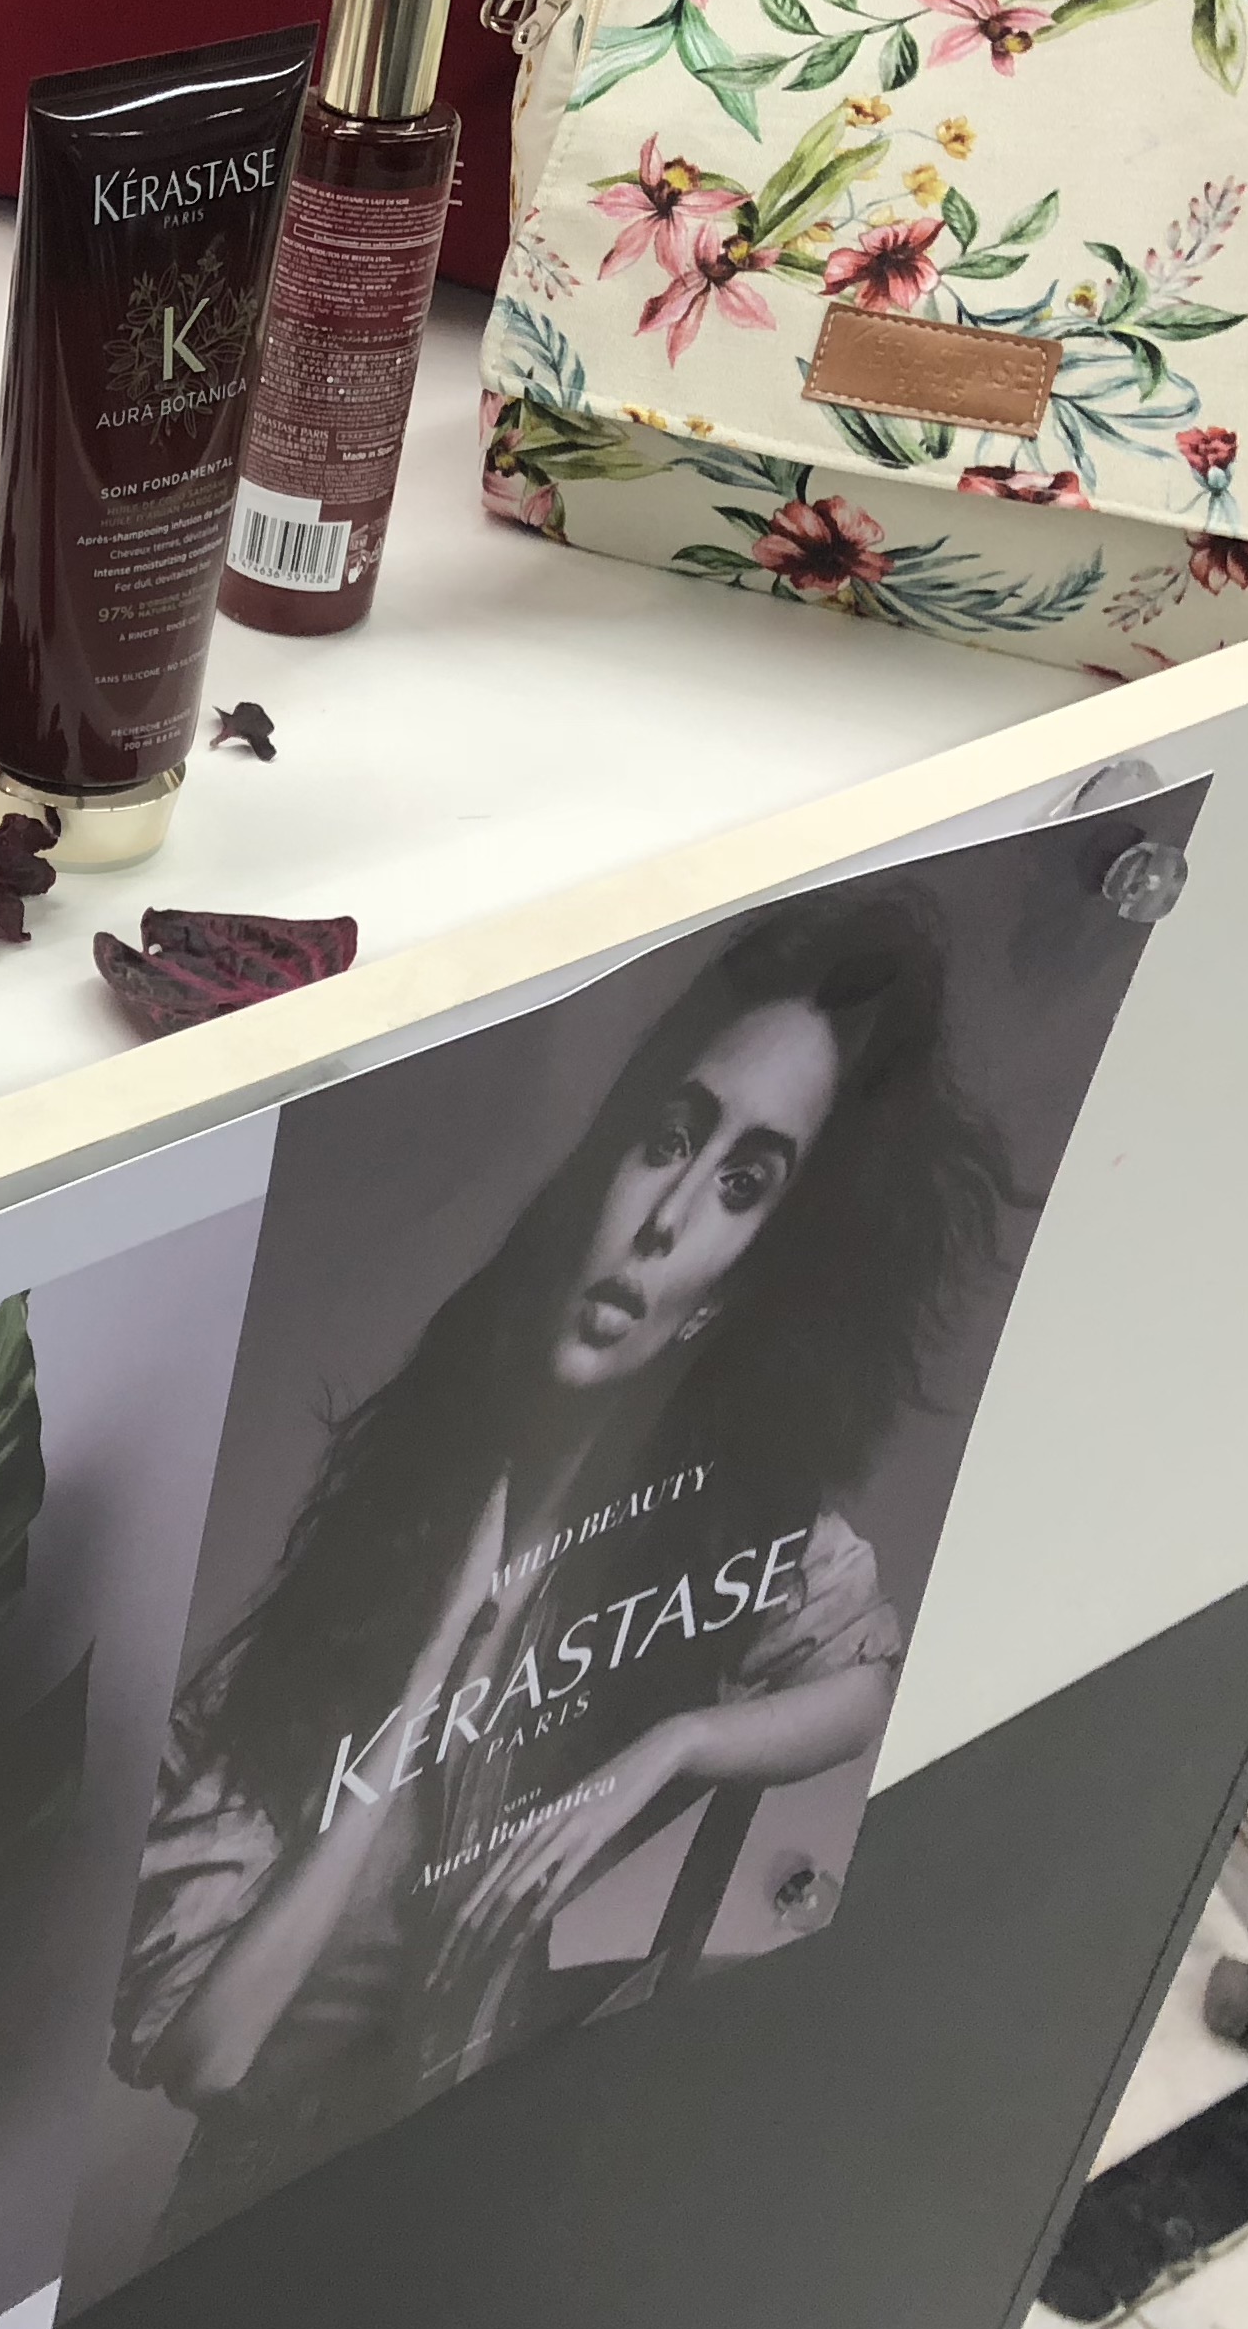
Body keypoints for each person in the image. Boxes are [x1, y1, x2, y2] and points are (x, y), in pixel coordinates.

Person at [112, 893, 1015, 2248]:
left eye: (745, 1185)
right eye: (668, 1139)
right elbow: (204, 2054)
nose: (665, 1220)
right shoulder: (359, 1586)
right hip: (249, 2245)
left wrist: (673, 1750)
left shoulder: (704, 1533)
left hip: (490, 2195)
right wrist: (427, 1681)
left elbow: (865, 1678)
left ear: (741, 1282)